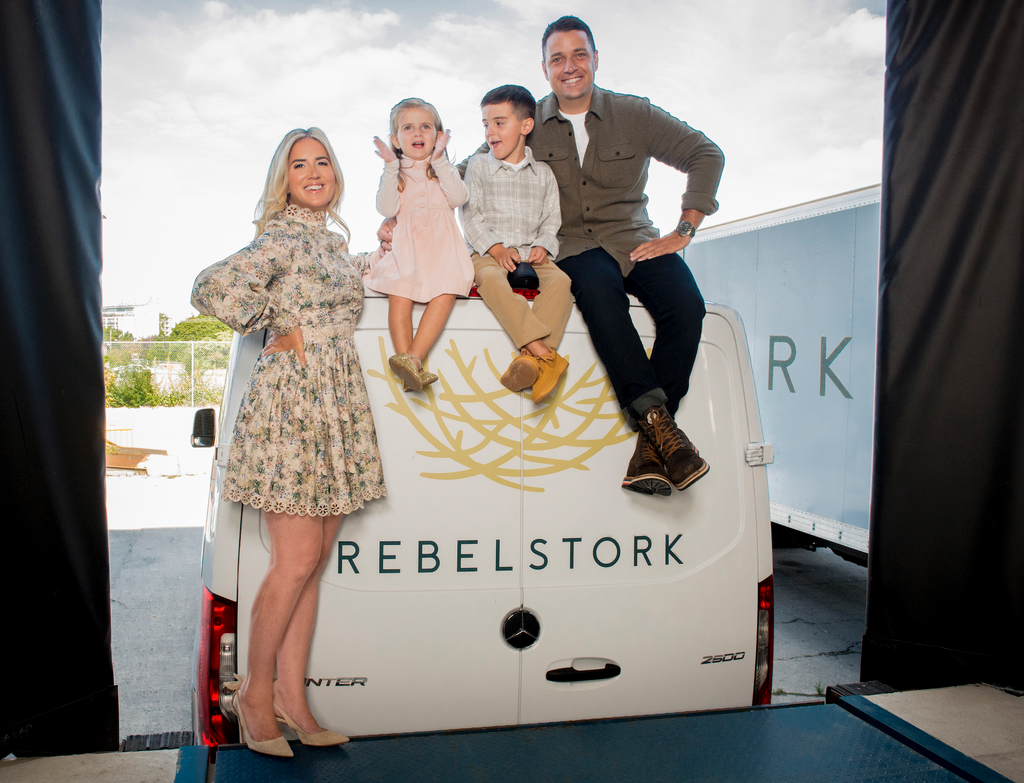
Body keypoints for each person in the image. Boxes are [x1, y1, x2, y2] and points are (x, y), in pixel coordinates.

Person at [191, 128, 386, 757]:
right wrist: (276, 327)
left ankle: (292, 700)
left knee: (313, 562)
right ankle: (253, 696)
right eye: (299, 164)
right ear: (284, 177)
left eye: (322, 161)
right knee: (295, 560)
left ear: (335, 172)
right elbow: (210, 285)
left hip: (336, 403)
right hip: (295, 405)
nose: (313, 171)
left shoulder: (329, 242)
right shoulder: (280, 236)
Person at [531, 16, 725, 497]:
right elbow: (474, 172)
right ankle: (664, 434)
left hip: (635, 239)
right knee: (598, 290)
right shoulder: (527, 123)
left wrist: (684, 230)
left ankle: (650, 441)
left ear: (596, 60)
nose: (570, 66)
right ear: (545, 68)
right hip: (573, 245)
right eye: (558, 58)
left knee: (686, 306)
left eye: (579, 54)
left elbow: (706, 154)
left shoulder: (633, 113)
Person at [461, 84, 570, 403]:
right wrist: (495, 248)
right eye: (485, 124)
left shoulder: (544, 174)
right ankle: (544, 354)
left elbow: (552, 218)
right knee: (492, 282)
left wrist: (544, 246)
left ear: (525, 126)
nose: (490, 132)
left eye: (499, 122)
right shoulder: (478, 166)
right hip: (488, 253)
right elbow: (470, 215)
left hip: (532, 255)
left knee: (562, 283)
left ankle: (531, 361)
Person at [363, 98, 475, 392]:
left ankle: (413, 357)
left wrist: (439, 159)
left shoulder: (443, 170)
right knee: (400, 293)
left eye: (425, 127)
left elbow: (459, 198)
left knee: (446, 293)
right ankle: (406, 361)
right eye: (408, 128)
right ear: (395, 139)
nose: (417, 133)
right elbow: (385, 205)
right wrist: (390, 165)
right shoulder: (396, 173)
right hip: (408, 251)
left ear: (438, 136)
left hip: (442, 251)